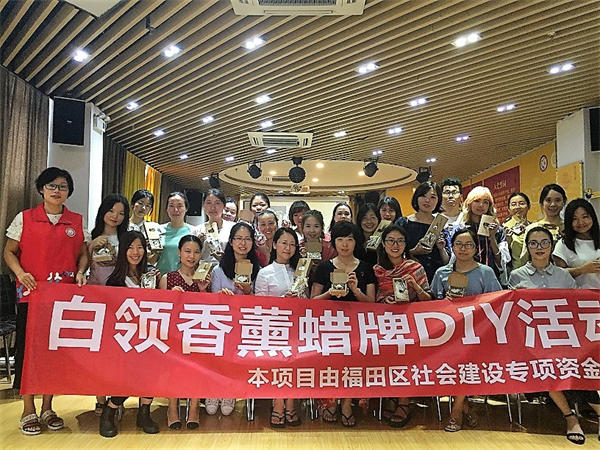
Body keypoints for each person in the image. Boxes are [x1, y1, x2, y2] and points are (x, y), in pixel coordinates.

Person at [3, 167, 88, 436]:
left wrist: (81, 272)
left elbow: (83, 255)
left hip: (62, 299)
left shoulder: (76, 221)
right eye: (51, 185)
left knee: (55, 352)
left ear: (68, 192)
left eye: (63, 186)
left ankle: (48, 407)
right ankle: (28, 408)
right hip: (31, 296)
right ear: (41, 189)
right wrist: (20, 273)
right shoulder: (25, 218)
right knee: (28, 350)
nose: (57, 190)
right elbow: (9, 251)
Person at [509, 226, 599, 445]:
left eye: (544, 243)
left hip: (564, 340)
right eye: (533, 243)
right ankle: (570, 417)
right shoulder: (516, 276)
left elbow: (576, 310)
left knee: (577, 364)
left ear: (551, 246)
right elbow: (512, 313)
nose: (539, 247)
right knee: (546, 365)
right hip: (531, 343)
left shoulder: (564, 276)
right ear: (527, 247)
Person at [431, 228, 501, 432]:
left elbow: (497, 302)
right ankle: (465, 407)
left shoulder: (486, 272)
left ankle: (456, 411)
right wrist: (445, 302)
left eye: (468, 245)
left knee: (466, 360)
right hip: (447, 333)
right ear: (452, 247)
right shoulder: (441, 273)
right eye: (459, 244)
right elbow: (432, 304)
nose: (463, 249)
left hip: (478, 334)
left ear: (475, 248)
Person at [311, 221, 376, 427]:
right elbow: (312, 302)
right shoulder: (324, 267)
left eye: (349, 239)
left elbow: (372, 304)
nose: (345, 244)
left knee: (353, 366)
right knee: (330, 365)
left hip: (358, 328)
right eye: (340, 239)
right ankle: (330, 402)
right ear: (334, 243)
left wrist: (356, 290)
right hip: (329, 327)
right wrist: (330, 293)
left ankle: (347, 404)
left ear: (356, 242)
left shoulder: (366, 268)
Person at [99, 231, 160, 438]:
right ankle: (109, 411)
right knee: (129, 377)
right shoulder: (115, 280)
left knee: (152, 373)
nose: (136, 252)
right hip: (125, 340)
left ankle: (144, 414)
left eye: (140, 247)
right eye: (131, 247)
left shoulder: (151, 276)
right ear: (123, 250)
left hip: (149, 336)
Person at [373, 224, 430, 427]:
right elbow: (372, 300)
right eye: (391, 241)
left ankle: (404, 401)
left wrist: (415, 286)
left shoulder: (415, 268)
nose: (395, 245)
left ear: (406, 245)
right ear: (383, 244)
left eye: (400, 241)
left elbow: (429, 300)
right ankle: (391, 396)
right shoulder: (376, 270)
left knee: (407, 357)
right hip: (384, 324)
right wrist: (384, 301)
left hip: (410, 325)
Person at [208, 222, 261, 416]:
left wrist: (247, 292)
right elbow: (213, 302)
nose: (243, 243)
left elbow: (261, 303)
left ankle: (229, 392)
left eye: (247, 239)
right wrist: (222, 296)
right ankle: (214, 391)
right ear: (230, 242)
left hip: (247, 325)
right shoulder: (218, 270)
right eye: (238, 238)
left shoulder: (259, 270)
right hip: (223, 324)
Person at [158, 235, 211, 430]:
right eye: (187, 251)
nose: (191, 256)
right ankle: (172, 407)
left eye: (196, 252)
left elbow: (209, 310)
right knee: (173, 365)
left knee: (198, 365)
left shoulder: (204, 278)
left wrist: (203, 291)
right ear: (179, 252)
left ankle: (194, 407)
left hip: (197, 333)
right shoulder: (168, 278)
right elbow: (161, 310)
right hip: (174, 334)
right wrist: (172, 297)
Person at [254, 228, 303, 428]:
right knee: (278, 364)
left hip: (297, 328)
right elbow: (259, 305)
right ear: (274, 244)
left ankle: (290, 402)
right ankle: (278, 403)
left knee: (297, 363)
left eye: (292, 244)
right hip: (273, 328)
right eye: (283, 243)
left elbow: (308, 300)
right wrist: (284, 300)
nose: (288, 248)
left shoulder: (299, 271)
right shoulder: (265, 273)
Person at [450, 186, 508, 281]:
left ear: (489, 206)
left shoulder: (498, 230)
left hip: (491, 278)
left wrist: (492, 237)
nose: (481, 205)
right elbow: (453, 258)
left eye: (486, 202)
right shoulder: (460, 229)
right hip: (464, 277)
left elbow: (501, 262)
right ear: (469, 203)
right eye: (476, 201)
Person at [396, 181, 449, 282]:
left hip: (436, 277)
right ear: (416, 198)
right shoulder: (403, 223)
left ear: (438, 201)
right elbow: (393, 253)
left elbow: (446, 261)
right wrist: (414, 252)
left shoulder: (440, 224)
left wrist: (441, 249)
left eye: (433, 197)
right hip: (409, 276)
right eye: (423, 196)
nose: (427, 200)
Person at [553, 198, 600, 288]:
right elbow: (557, 275)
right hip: (579, 295)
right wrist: (581, 270)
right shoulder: (563, 244)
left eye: (585, 217)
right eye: (574, 219)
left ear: (592, 217)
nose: (580, 222)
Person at [518, 183, 567, 265]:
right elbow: (524, 259)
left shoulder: (570, 227)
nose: (553, 204)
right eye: (548, 200)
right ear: (542, 202)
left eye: (558, 200)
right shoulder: (532, 228)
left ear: (564, 202)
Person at [88, 194, 129, 286]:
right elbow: (84, 265)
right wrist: (91, 246)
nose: (115, 216)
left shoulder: (126, 239)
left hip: (118, 288)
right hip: (94, 287)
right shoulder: (91, 237)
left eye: (121, 213)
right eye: (111, 211)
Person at [155, 192, 194, 275]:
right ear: (167, 209)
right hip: (161, 277)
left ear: (186, 208)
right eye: (171, 206)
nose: (175, 210)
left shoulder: (193, 231)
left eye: (180, 206)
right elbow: (152, 260)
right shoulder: (158, 230)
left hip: (184, 278)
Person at [194, 189, 234, 263]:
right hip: (202, 268)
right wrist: (198, 244)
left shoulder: (232, 228)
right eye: (208, 203)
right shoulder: (197, 230)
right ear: (204, 206)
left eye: (217, 203)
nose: (212, 207)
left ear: (224, 206)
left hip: (226, 267)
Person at [503, 192, 531, 270]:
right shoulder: (504, 229)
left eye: (521, 203)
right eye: (513, 204)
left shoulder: (533, 227)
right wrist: (507, 242)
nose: (517, 207)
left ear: (529, 206)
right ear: (509, 209)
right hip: (513, 272)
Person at [356, 203, 380, 267]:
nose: (369, 221)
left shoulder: (383, 240)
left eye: (373, 217)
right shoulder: (354, 239)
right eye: (364, 218)